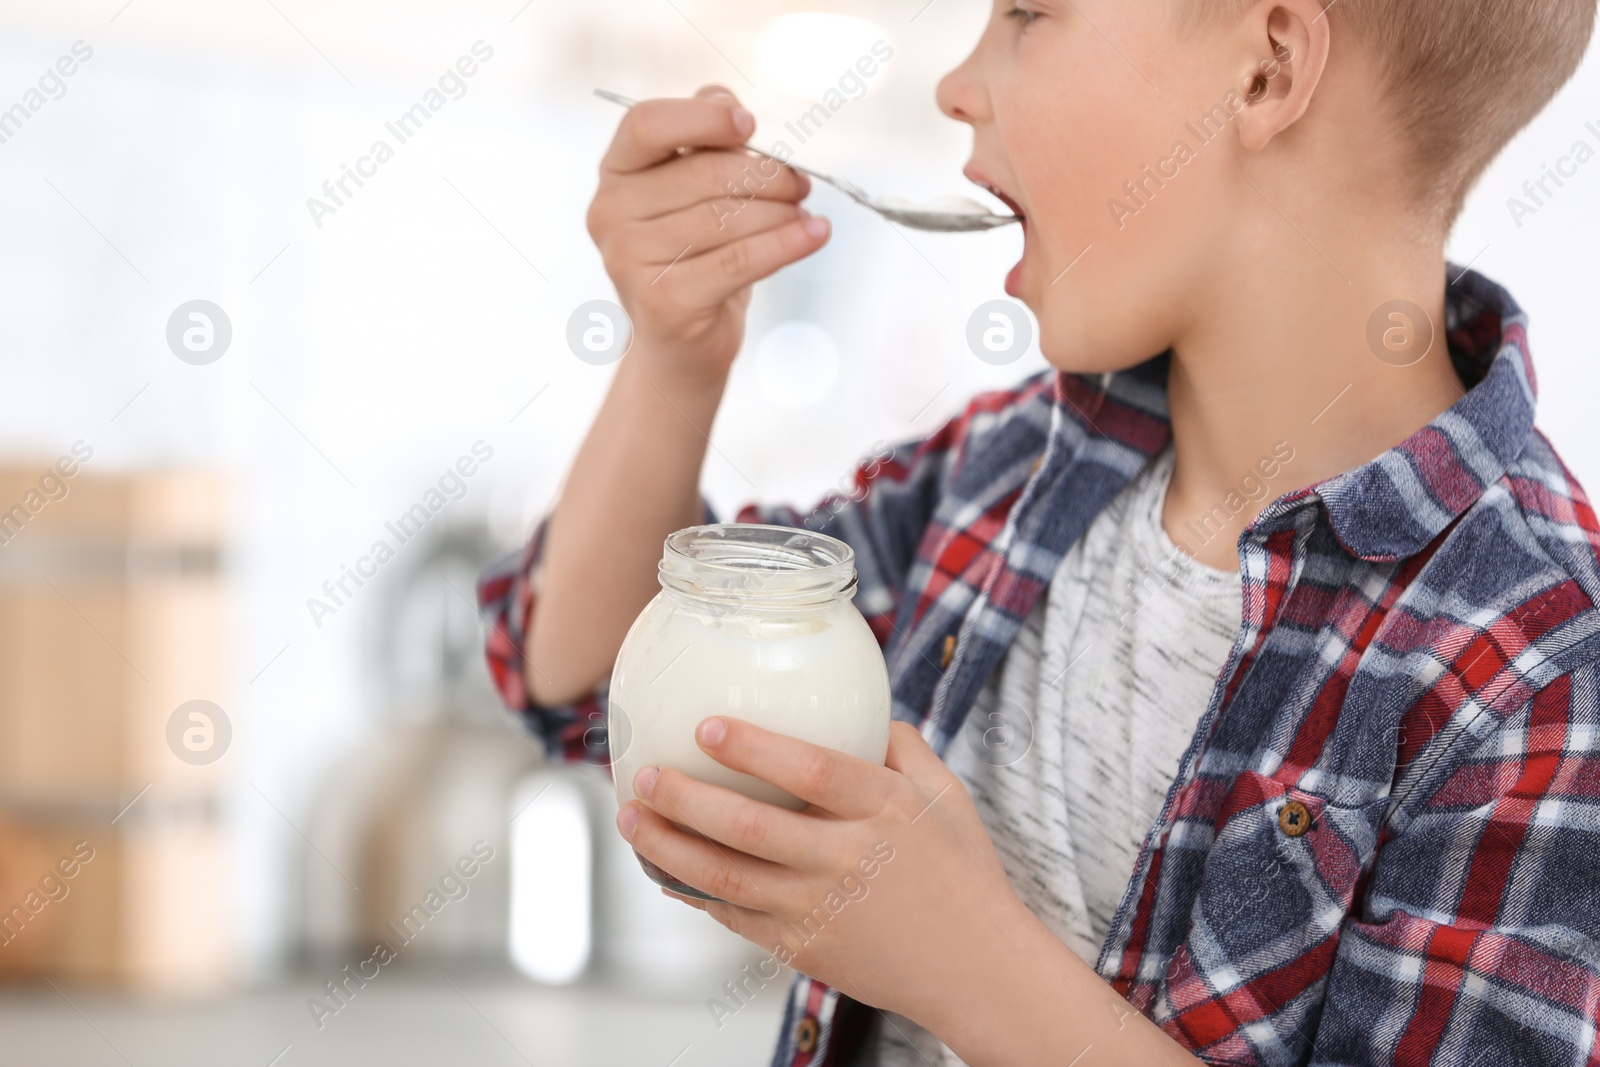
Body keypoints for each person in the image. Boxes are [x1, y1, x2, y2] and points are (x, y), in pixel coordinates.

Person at [479, 0, 1600, 1062]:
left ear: (1265, 67)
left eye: (1025, 12)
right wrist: (676, 357)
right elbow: (589, 675)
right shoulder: (1000, 475)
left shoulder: (1544, 671)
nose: (958, 85)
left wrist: (968, 964)